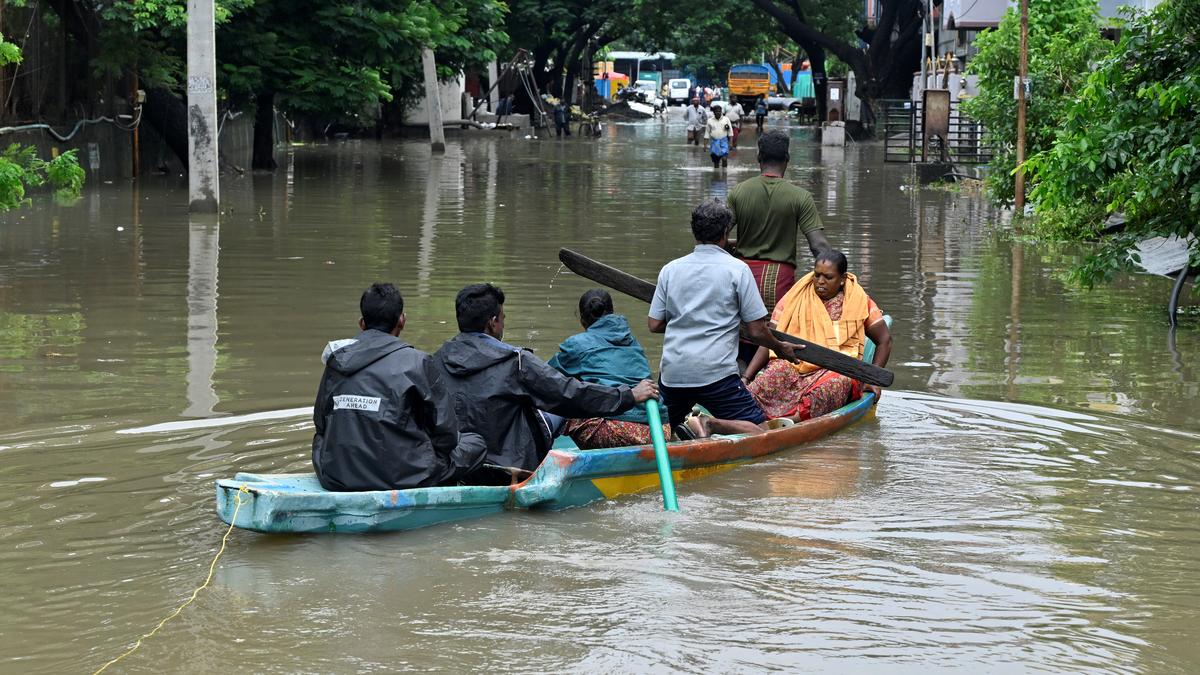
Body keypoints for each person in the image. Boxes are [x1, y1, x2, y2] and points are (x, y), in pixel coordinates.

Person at [434, 283, 659, 474]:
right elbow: (570, 394)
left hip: (457, 460)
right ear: (493, 322)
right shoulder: (517, 362)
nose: (503, 323)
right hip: (510, 465)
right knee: (561, 404)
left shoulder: (435, 360)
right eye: (503, 318)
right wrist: (629, 395)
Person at [648, 199, 802, 439]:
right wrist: (780, 347)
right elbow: (757, 331)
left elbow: (654, 323)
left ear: (694, 232)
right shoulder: (737, 269)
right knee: (761, 433)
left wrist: (689, 319)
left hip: (673, 374)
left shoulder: (671, 269)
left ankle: (689, 431)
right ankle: (711, 424)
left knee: (666, 434)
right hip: (715, 374)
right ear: (726, 233)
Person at [312, 283, 487, 491]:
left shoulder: (337, 360)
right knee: (475, 442)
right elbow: (446, 435)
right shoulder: (417, 362)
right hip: (401, 478)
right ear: (402, 320)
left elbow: (321, 424)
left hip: (336, 475)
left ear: (361, 323)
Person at [745, 250, 892, 419]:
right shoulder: (794, 298)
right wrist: (746, 377)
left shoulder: (858, 300)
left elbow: (884, 341)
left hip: (838, 369)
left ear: (843, 279)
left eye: (828, 277)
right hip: (794, 364)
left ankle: (793, 420)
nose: (820, 282)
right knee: (771, 377)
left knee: (838, 383)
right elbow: (770, 339)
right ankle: (750, 414)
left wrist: (872, 379)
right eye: (817, 275)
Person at [727, 129, 830, 361]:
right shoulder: (800, 197)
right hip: (779, 280)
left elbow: (718, 238)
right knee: (776, 338)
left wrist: (738, 244)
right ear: (787, 160)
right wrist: (839, 282)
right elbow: (819, 247)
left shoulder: (738, 192)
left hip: (742, 277)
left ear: (758, 158)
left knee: (738, 339)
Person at [548, 290, 671, 449]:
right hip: (660, 430)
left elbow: (544, 375)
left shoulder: (577, 344)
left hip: (618, 431)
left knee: (562, 398)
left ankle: (539, 454)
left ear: (582, 319)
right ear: (612, 312)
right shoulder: (632, 341)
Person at [705, 105, 733, 169]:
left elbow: (730, 132)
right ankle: (716, 174)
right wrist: (705, 145)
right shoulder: (710, 121)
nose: (718, 112)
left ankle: (724, 172)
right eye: (716, 111)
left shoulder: (726, 119)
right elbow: (707, 133)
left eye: (719, 111)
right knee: (716, 161)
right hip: (714, 142)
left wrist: (731, 143)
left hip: (724, 142)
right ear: (713, 112)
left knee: (724, 159)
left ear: (721, 112)